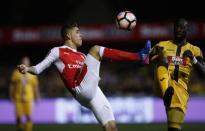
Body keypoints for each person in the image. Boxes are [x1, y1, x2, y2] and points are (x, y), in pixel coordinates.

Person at [17, 22, 151, 131]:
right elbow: (39, 68)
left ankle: (144, 57)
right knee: (96, 49)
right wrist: (27, 68)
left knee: (111, 126)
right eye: (77, 32)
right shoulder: (58, 51)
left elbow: (92, 67)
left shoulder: (82, 56)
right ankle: (139, 57)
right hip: (80, 89)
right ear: (69, 36)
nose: (81, 35)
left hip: (92, 92)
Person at [150, 18, 205, 131]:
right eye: (176, 27)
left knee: (174, 128)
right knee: (163, 60)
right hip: (162, 84)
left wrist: (193, 60)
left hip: (180, 92)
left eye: (181, 27)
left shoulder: (194, 50)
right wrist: (153, 52)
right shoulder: (163, 45)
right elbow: (144, 60)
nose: (178, 29)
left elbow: (203, 73)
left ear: (187, 30)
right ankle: (166, 93)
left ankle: (168, 96)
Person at [10, 56, 40, 131]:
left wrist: (37, 97)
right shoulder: (16, 73)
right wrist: (11, 95)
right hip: (18, 98)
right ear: (21, 62)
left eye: (26, 61)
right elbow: (12, 85)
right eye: (24, 61)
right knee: (18, 117)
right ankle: (20, 128)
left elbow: (35, 87)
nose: (25, 62)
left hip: (29, 98)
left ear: (29, 62)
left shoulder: (32, 73)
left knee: (28, 116)